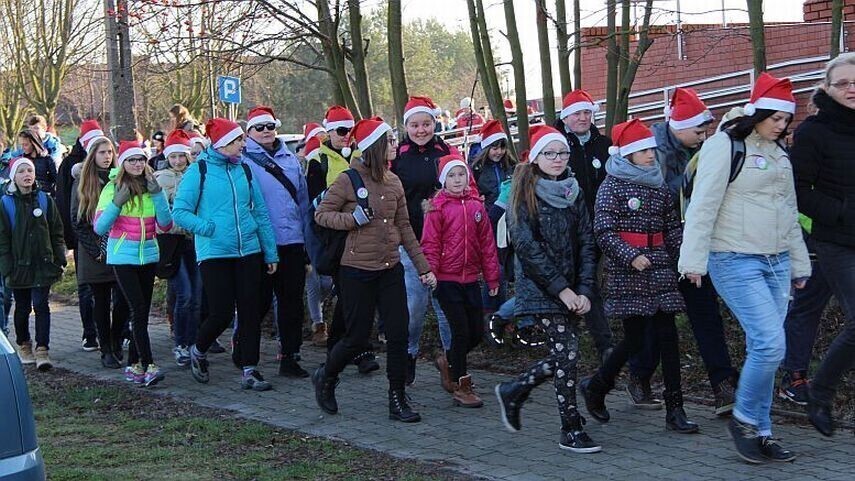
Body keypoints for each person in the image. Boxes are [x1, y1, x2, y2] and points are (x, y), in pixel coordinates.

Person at [679, 73, 810, 463]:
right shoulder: (725, 145)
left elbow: (788, 212)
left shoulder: (779, 153)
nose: (781, 125)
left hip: (777, 260)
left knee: (764, 348)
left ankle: (762, 433)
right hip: (733, 258)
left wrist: (799, 263)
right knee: (771, 343)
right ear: (758, 113)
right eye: (776, 118)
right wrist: (692, 260)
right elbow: (702, 205)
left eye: (786, 120)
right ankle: (744, 419)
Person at [580, 119, 699, 436]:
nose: (650, 155)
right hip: (628, 272)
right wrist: (630, 255)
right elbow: (604, 230)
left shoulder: (659, 185)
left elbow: (671, 228)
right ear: (628, 154)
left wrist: (686, 259)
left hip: (660, 268)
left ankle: (675, 409)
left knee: (668, 338)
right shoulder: (612, 186)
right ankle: (597, 385)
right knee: (635, 339)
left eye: (651, 150)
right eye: (644, 150)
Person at [313, 117, 435, 422]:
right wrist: (351, 219)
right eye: (390, 140)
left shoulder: (394, 181)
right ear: (375, 146)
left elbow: (404, 227)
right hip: (356, 271)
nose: (395, 145)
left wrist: (423, 267)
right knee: (356, 338)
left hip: (390, 268)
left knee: (398, 334)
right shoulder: (348, 180)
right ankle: (327, 375)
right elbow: (321, 215)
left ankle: (397, 398)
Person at [628, 88, 739, 413]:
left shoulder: (703, 150)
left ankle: (723, 385)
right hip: (661, 252)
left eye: (706, 132)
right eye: (698, 131)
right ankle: (639, 375)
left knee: (706, 316)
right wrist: (695, 180)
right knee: (658, 321)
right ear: (680, 126)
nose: (704, 137)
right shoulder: (652, 152)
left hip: (694, 246)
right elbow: (656, 199)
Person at [494, 125, 600, 453]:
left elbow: (587, 242)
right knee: (567, 354)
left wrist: (584, 289)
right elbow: (527, 249)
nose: (557, 159)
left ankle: (515, 390)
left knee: (565, 355)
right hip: (540, 289)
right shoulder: (522, 193)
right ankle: (570, 428)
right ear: (536, 157)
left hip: (573, 289)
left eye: (562, 152)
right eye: (549, 153)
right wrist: (561, 290)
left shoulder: (573, 191)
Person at [172, 118, 279, 391]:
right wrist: (207, 228)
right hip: (215, 252)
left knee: (250, 312)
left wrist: (270, 252)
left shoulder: (245, 168)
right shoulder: (199, 170)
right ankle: (198, 349)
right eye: (238, 140)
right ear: (222, 143)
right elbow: (180, 212)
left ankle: (250, 369)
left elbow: (260, 212)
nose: (243, 144)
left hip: (249, 250)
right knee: (221, 313)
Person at [793, 54, 855, 437]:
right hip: (837, 240)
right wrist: (842, 213)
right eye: (843, 83)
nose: (852, 89)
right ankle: (820, 392)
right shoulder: (812, 132)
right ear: (827, 88)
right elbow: (798, 191)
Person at [391, 96, 460, 386]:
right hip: (412, 242)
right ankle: (408, 354)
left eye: (426, 124)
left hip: (445, 241)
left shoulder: (447, 151)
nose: (421, 130)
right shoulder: (397, 156)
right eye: (415, 125)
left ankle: (453, 363)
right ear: (406, 127)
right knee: (415, 307)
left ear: (434, 123)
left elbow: (462, 185)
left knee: (446, 306)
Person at [421, 154, 500, 407]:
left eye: (461, 174)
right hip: (446, 280)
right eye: (452, 176)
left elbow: (487, 244)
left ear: (468, 177)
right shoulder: (437, 207)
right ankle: (461, 384)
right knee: (460, 330)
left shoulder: (476, 206)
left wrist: (492, 278)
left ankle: (448, 361)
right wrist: (431, 273)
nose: (457, 180)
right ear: (443, 180)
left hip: (470, 279)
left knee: (476, 331)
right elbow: (430, 244)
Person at [94, 141, 173, 387]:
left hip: (148, 256)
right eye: (132, 160)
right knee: (138, 308)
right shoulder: (112, 188)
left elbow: (166, 224)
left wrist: (158, 194)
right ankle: (149, 364)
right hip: (122, 257)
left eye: (141, 159)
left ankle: (134, 365)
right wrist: (117, 203)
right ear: (123, 163)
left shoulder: (152, 186)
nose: (137, 164)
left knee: (142, 312)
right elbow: (99, 227)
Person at [242, 106, 311, 378]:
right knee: (256, 303)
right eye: (259, 127)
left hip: (291, 240)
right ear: (249, 132)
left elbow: (303, 201)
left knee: (292, 303)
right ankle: (245, 352)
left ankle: (290, 356)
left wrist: (306, 241)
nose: (266, 131)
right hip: (259, 244)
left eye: (270, 126)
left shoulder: (290, 159)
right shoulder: (242, 160)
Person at [553, 89, 614, 361]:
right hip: (569, 229)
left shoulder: (604, 145)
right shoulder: (556, 147)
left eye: (587, 112)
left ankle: (603, 345)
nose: (582, 118)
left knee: (589, 283)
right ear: (566, 117)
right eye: (577, 113)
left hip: (601, 225)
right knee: (575, 282)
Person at [0, 157, 66, 371]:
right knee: (22, 307)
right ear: (14, 177)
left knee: (41, 305)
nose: (27, 175)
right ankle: (24, 344)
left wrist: (59, 259)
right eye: (21, 172)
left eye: (29, 170)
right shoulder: (6, 203)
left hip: (43, 264)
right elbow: (2, 238)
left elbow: (56, 232)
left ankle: (42, 349)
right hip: (18, 266)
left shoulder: (45, 200)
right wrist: (7, 267)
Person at [71, 136, 129, 369]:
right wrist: (96, 251)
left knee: (124, 298)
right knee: (102, 302)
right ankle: (105, 348)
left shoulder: (120, 178)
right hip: (94, 250)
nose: (107, 156)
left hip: (120, 245)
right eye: (102, 152)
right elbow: (78, 221)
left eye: (110, 152)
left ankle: (116, 339)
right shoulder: (84, 181)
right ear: (92, 155)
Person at [153, 130, 201, 367]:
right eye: (174, 156)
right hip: (171, 243)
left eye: (182, 156)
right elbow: (159, 215)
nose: (178, 161)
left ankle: (194, 342)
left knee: (197, 296)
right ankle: (180, 343)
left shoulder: (196, 175)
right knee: (185, 294)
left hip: (194, 242)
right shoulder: (160, 179)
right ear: (167, 157)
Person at [57, 120, 103, 352]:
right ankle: (90, 333)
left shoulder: (108, 162)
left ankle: (118, 331)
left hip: (110, 235)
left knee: (113, 287)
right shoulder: (69, 165)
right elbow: (64, 202)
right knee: (86, 287)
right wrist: (70, 236)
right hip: (82, 235)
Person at [15, 130, 57, 197]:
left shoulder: (48, 160)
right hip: (26, 195)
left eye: (25, 145)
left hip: (44, 194)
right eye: (21, 145)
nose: (22, 148)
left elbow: (56, 179)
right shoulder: (21, 160)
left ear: (34, 144)